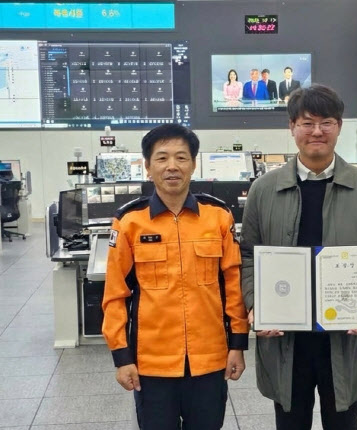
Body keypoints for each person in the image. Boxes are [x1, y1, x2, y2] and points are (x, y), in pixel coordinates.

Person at [240, 84, 357, 430]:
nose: (317, 131)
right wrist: (255, 304)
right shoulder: (264, 190)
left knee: (343, 422)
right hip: (286, 338)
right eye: (307, 123)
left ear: (339, 126)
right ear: (292, 127)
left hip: (346, 338)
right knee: (290, 422)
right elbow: (248, 255)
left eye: (326, 122)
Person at [102, 124, 249, 430]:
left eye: (181, 157)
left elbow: (232, 285)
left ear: (193, 164)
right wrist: (121, 357)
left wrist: (238, 344)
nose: (172, 166)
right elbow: (115, 294)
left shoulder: (218, 216)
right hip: (152, 363)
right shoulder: (129, 222)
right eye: (162, 158)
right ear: (147, 167)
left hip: (210, 359)